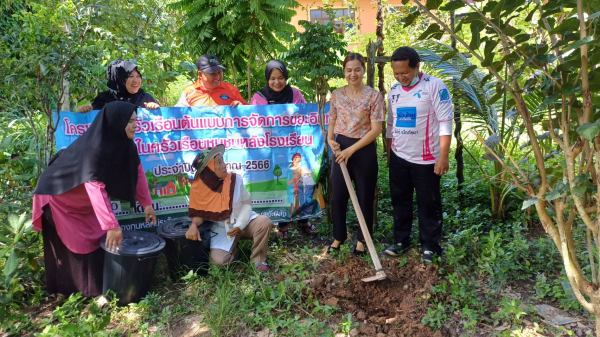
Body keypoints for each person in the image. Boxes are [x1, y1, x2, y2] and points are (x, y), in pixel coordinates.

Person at [32, 101, 157, 297]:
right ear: (116, 122)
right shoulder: (94, 149)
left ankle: (96, 289)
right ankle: (73, 293)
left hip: (83, 202)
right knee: (79, 245)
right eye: (130, 121)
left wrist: (147, 204)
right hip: (59, 199)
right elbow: (94, 187)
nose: (135, 125)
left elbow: (137, 173)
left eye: (135, 121)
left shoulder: (126, 145)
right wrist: (111, 225)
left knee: (99, 242)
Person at [384, 46, 453, 263]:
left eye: (405, 72)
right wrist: (389, 152)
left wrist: (443, 155)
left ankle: (430, 246)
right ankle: (401, 241)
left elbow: (445, 121)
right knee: (400, 200)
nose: (401, 77)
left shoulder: (434, 86)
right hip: (399, 156)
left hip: (427, 159)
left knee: (428, 203)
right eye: (396, 73)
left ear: (417, 67)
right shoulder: (394, 91)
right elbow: (390, 123)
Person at [249, 60, 316, 239]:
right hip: (271, 150)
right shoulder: (259, 97)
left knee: (299, 183)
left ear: (286, 77)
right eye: (272, 78)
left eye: (281, 78)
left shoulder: (295, 94)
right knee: (280, 184)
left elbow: (306, 114)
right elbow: (252, 121)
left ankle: (304, 220)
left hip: (295, 147)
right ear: (267, 78)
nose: (277, 82)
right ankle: (282, 225)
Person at [327, 53, 385, 256]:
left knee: (364, 196)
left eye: (357, 69)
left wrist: (352, 149)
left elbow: (376, 129)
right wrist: (330, 139)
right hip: (340, 148)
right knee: (339, 195)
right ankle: (339, 236)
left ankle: (362, 239)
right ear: (344, 72)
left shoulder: (374, 96)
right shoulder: (336, 95)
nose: (353, 74)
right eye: (349, 70)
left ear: (363, 71)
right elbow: (332, 121)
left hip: (363, 148)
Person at [184, 145, 273, 271]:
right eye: (218, 163)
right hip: (223, 231)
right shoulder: (199, 189)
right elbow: (200, 214)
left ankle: (258, 260)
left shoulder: (235, 180)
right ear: (208, 170)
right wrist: (193, 226)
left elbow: (247, 203)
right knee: (218, 262)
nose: (224, 165)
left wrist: (240, 224)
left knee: (264, 222)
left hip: (244, 222)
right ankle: (233, 251)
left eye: (223, 161)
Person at [77, 60, 160, 113]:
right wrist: (84, 112)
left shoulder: (145, 99)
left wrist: (156, 108)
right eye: (130, 76)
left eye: (138, 76)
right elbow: (89, 126)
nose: (136, 80)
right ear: (119, 79)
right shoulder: (103, 101)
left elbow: (162, 125)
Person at [175, 54, 246, 107]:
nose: (218, 77)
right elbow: (176, 118)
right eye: (213, 73)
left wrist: (241, 107)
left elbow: (249, 115)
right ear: (200, 74)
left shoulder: (232, 90)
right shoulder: (188, 92)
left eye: (219, 72)